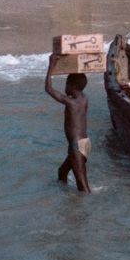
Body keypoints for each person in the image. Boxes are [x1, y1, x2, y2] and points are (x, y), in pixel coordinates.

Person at [44, 60, 91, 193]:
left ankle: (89, 205)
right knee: (62, 172)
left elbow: (48, 89)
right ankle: (65, 198)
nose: (65, 87)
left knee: (83, 187)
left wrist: (51, 66)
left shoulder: (71, 103)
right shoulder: (84, 99)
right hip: (86, 144)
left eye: (66, 83)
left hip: (76, 146)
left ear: (72, 86)